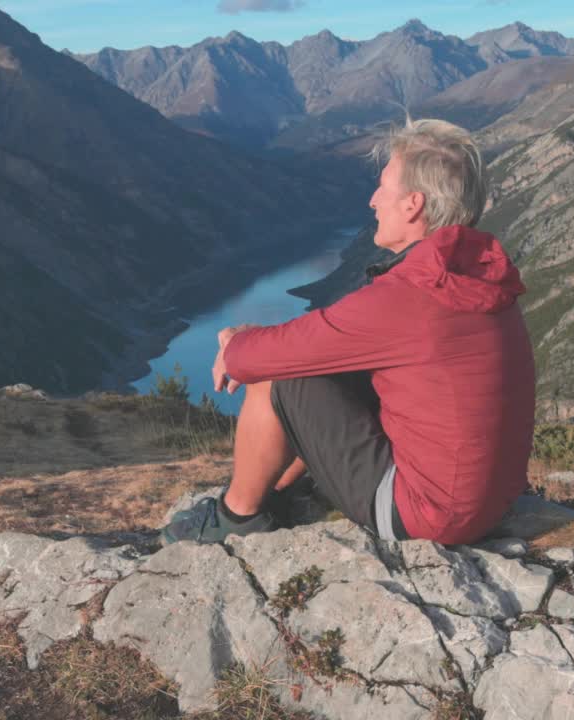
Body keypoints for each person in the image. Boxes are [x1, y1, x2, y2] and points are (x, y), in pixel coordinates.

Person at [160, 118, 536, 547]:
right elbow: (327, 342)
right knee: (322, 367)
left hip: (423, 516)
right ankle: (280, 494)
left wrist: (235, 342)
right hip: (487, 503)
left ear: (413, 205)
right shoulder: (475, 277)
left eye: (383, 188)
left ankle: (236, 517)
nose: (373, 200)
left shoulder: (411, 296)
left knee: (281, 378)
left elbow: (258, 360)